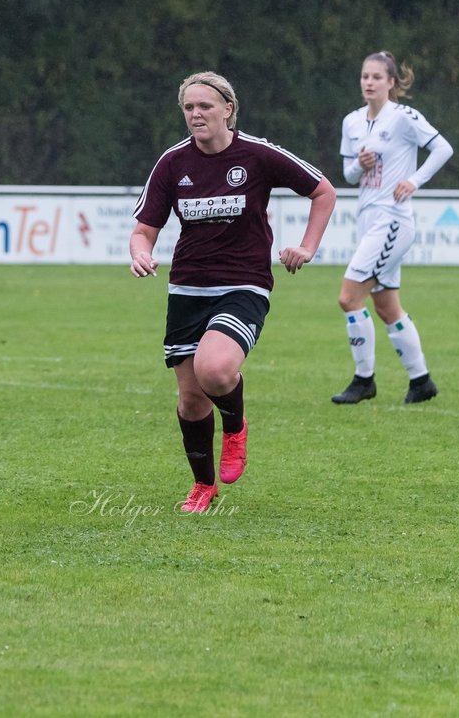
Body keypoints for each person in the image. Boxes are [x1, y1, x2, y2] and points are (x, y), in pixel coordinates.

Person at [129, 72, 335, 513]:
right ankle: (203, 486)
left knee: (216, 369)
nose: (196, 115)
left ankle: (236, 427)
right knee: (190, 397)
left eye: (205, 106)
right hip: (187, 288)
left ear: (228, 109)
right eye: (189, 108)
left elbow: (323, 191)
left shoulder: (257, 154)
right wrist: (141, 252)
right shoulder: (172, 163)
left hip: (244, 284)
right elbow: (144, 230)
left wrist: (307, 246)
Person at [330, 51, 453, 406]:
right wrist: (359, 163)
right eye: (365, 76)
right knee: (386, 307)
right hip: (368, 219)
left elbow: (443, 148)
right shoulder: (352, 121)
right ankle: (422, 382)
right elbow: (349, 174)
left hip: (392, 221)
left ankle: (363, 380)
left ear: (391, 83)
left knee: (348, 297)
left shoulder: (403, 118)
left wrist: (413, 181)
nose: (369, 82)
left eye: (376, 77)